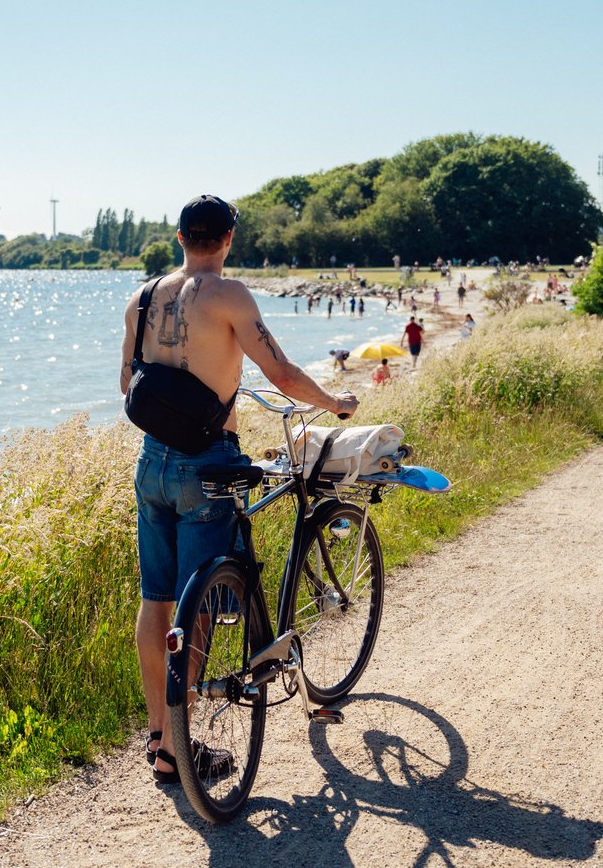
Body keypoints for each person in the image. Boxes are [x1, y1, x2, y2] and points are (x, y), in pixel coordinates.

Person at [119, 194, 357, 787]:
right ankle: (180, 749)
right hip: (208, 465)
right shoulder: (229, 295)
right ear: (229, 238)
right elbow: (279, 373)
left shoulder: (142, 298)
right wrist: (333, 402)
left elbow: (128, 383)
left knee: (157, 600)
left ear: (179, 237)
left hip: (152, 465)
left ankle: (159, 737)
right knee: (196, 609)